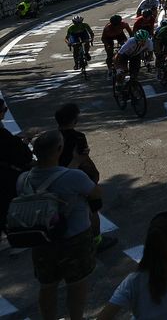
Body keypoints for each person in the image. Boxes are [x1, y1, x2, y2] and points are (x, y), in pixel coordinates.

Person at [19, 130, 102, 320]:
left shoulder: (23, 180)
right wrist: (79, 161)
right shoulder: (74, 177)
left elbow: (55, 178)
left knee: (47, 285)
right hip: (75, 239)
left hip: (41, 241)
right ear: (59, 149)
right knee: (77, 284)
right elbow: (96, 192)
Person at [54, 104, 111, 252]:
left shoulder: (54, 138)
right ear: (74, 120)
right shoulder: (78, 137)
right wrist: (94, 173)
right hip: (80, 176)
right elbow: (84, 157)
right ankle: (97, 241)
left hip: (59, 176)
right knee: (92, 210)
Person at [0, 98, 33, 239]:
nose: (5, 113)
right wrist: (26, 141)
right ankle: (16, 234)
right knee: (7, 207)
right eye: (4, 110)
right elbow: (23, 155)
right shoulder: (2, 134)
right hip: (5, 177)